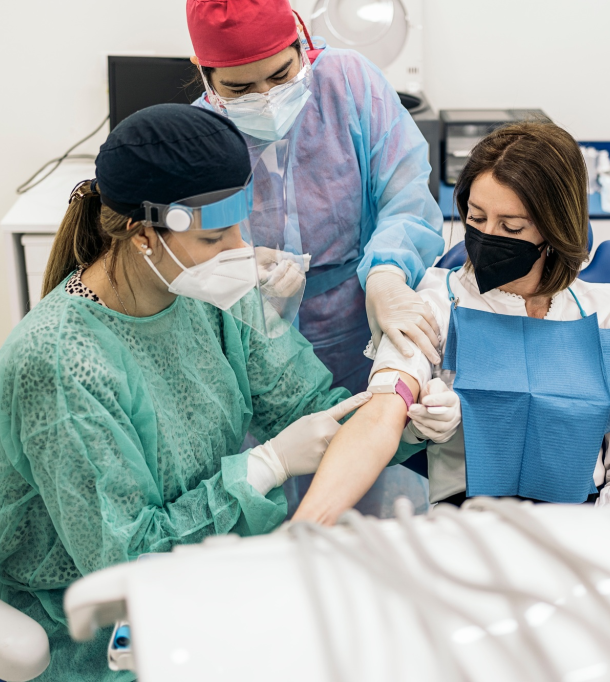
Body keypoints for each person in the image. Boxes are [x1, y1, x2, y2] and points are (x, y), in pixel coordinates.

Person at [0, 104, 375, 681]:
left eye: (241, 227)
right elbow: (122, 562)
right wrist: (264, 465)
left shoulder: (209, 295)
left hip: (208, 582)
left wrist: (406, 409)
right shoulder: (62, 363)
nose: (239, 251)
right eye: (215, 236)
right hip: (96, 638)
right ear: (142, 238)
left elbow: (306, 403)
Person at [293, 122, 610, 544]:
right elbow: (381, 411)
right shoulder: (435, 300)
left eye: (511, 228)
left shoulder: (605, 309)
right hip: (470, 530)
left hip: (584, 528)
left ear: (554, 229)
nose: (488, 237)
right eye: (476, 217)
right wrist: (416, 426)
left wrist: (600, 537)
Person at [186, 0, 445, 515]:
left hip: (356, 324)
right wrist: (240, 270)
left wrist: (388, 276)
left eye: (281, 75)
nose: (265, 98)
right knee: (263, 496)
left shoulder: (350, 83)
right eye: (239, 88)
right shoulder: (197, 135)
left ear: (302, 41)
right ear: (206, 76)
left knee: (367, 488)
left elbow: (407, 192)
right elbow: (189, 252)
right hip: (253, 342)